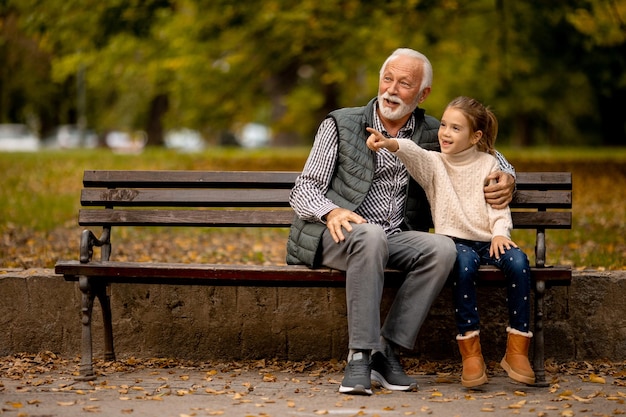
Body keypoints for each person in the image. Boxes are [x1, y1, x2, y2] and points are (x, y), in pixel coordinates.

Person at [287, 48, 516, 396]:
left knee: (442, 248)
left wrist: (508, 175)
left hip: (395, 238)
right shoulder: (340, 123)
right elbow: (303, 188)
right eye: (387, 78)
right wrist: (331, 211)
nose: (391, 89)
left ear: (423, 94)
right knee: (371, 235)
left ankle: (385, 351)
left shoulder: (434, 132)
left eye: (404, 83)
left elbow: (485, 152)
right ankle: (359, 355)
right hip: (338, 235)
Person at [366, 95, 535, 388]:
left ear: (476, 136)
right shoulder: (434, 164)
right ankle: (471, 354)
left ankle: (517, 350)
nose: (445, 133)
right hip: (454, 244)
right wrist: (390, 143)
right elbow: (411, 151)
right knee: (464, 266)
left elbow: (499, 207)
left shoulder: (489, 164)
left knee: (519, 262)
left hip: (488, 239)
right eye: (444, 125)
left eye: (456, 128)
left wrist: (500, 234)